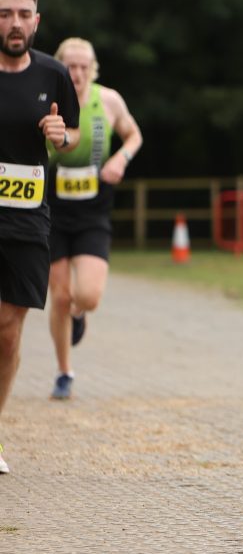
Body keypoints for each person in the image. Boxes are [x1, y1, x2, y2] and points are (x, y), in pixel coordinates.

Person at [0, 0, 80, 473]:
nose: (14, 23)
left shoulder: (52, 74)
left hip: (28, 217)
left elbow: (69, 135)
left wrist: (59, 134)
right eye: (5, 13)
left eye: (23, 14)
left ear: (37, 20)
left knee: (8, 334)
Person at [46, 37, 143, 400]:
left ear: (93, 68)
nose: (78, 73)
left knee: (87, 295)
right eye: (71, 66)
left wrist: (121, 159)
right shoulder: (48, 98)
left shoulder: (109, 101)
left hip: (93, 207)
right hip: (53, 205)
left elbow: (134, 135)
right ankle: (64, 371)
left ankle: (78, 312)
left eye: (84, 66)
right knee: (58, 294)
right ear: (60, 66)